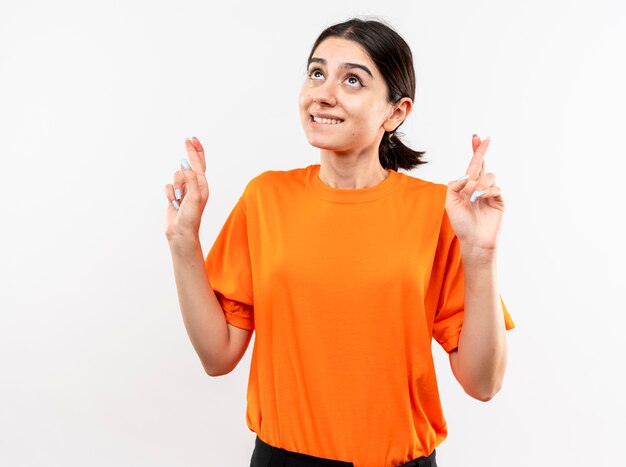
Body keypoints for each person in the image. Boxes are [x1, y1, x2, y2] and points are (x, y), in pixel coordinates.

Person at [164, 17, 515, 467]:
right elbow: (217, 356)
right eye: (316, 73)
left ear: (396, 112)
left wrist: (482, 256)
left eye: (352, 79)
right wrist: (182, 240)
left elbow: (482, 383)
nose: (323, 93)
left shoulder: (441, 211)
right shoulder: (265, 197)